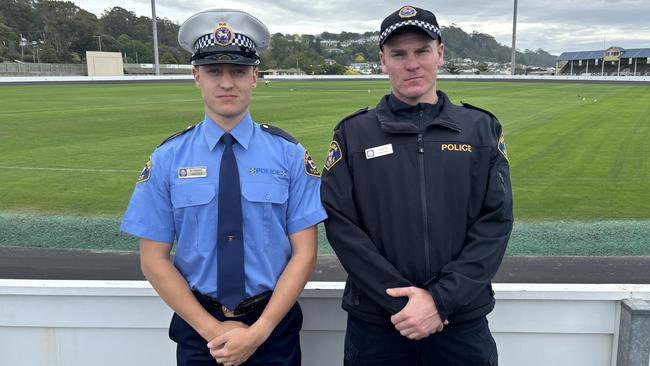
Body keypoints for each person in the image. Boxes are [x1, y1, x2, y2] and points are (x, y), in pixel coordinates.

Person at [120, 9, 327, 366]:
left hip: (272, 331)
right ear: (196, 77)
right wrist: (213, 330)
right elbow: (153, 260)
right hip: (199, 331)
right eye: (214, 71)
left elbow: (305, 254)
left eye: (239, 71)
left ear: (255, 77)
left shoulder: (290, 155)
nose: (226, 83)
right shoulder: (168, 158)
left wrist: (259, 331)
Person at [320, 5, 513, 365]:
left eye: (422, 50)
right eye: (399, 54)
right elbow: (341, 226)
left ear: (439, 53)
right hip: (378, 325)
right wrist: (405, 305)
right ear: (383, 61)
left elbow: (495, 223)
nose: (412, 64)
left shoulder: (480, 130)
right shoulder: (353, 134)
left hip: (460, 323)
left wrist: (440, 301)